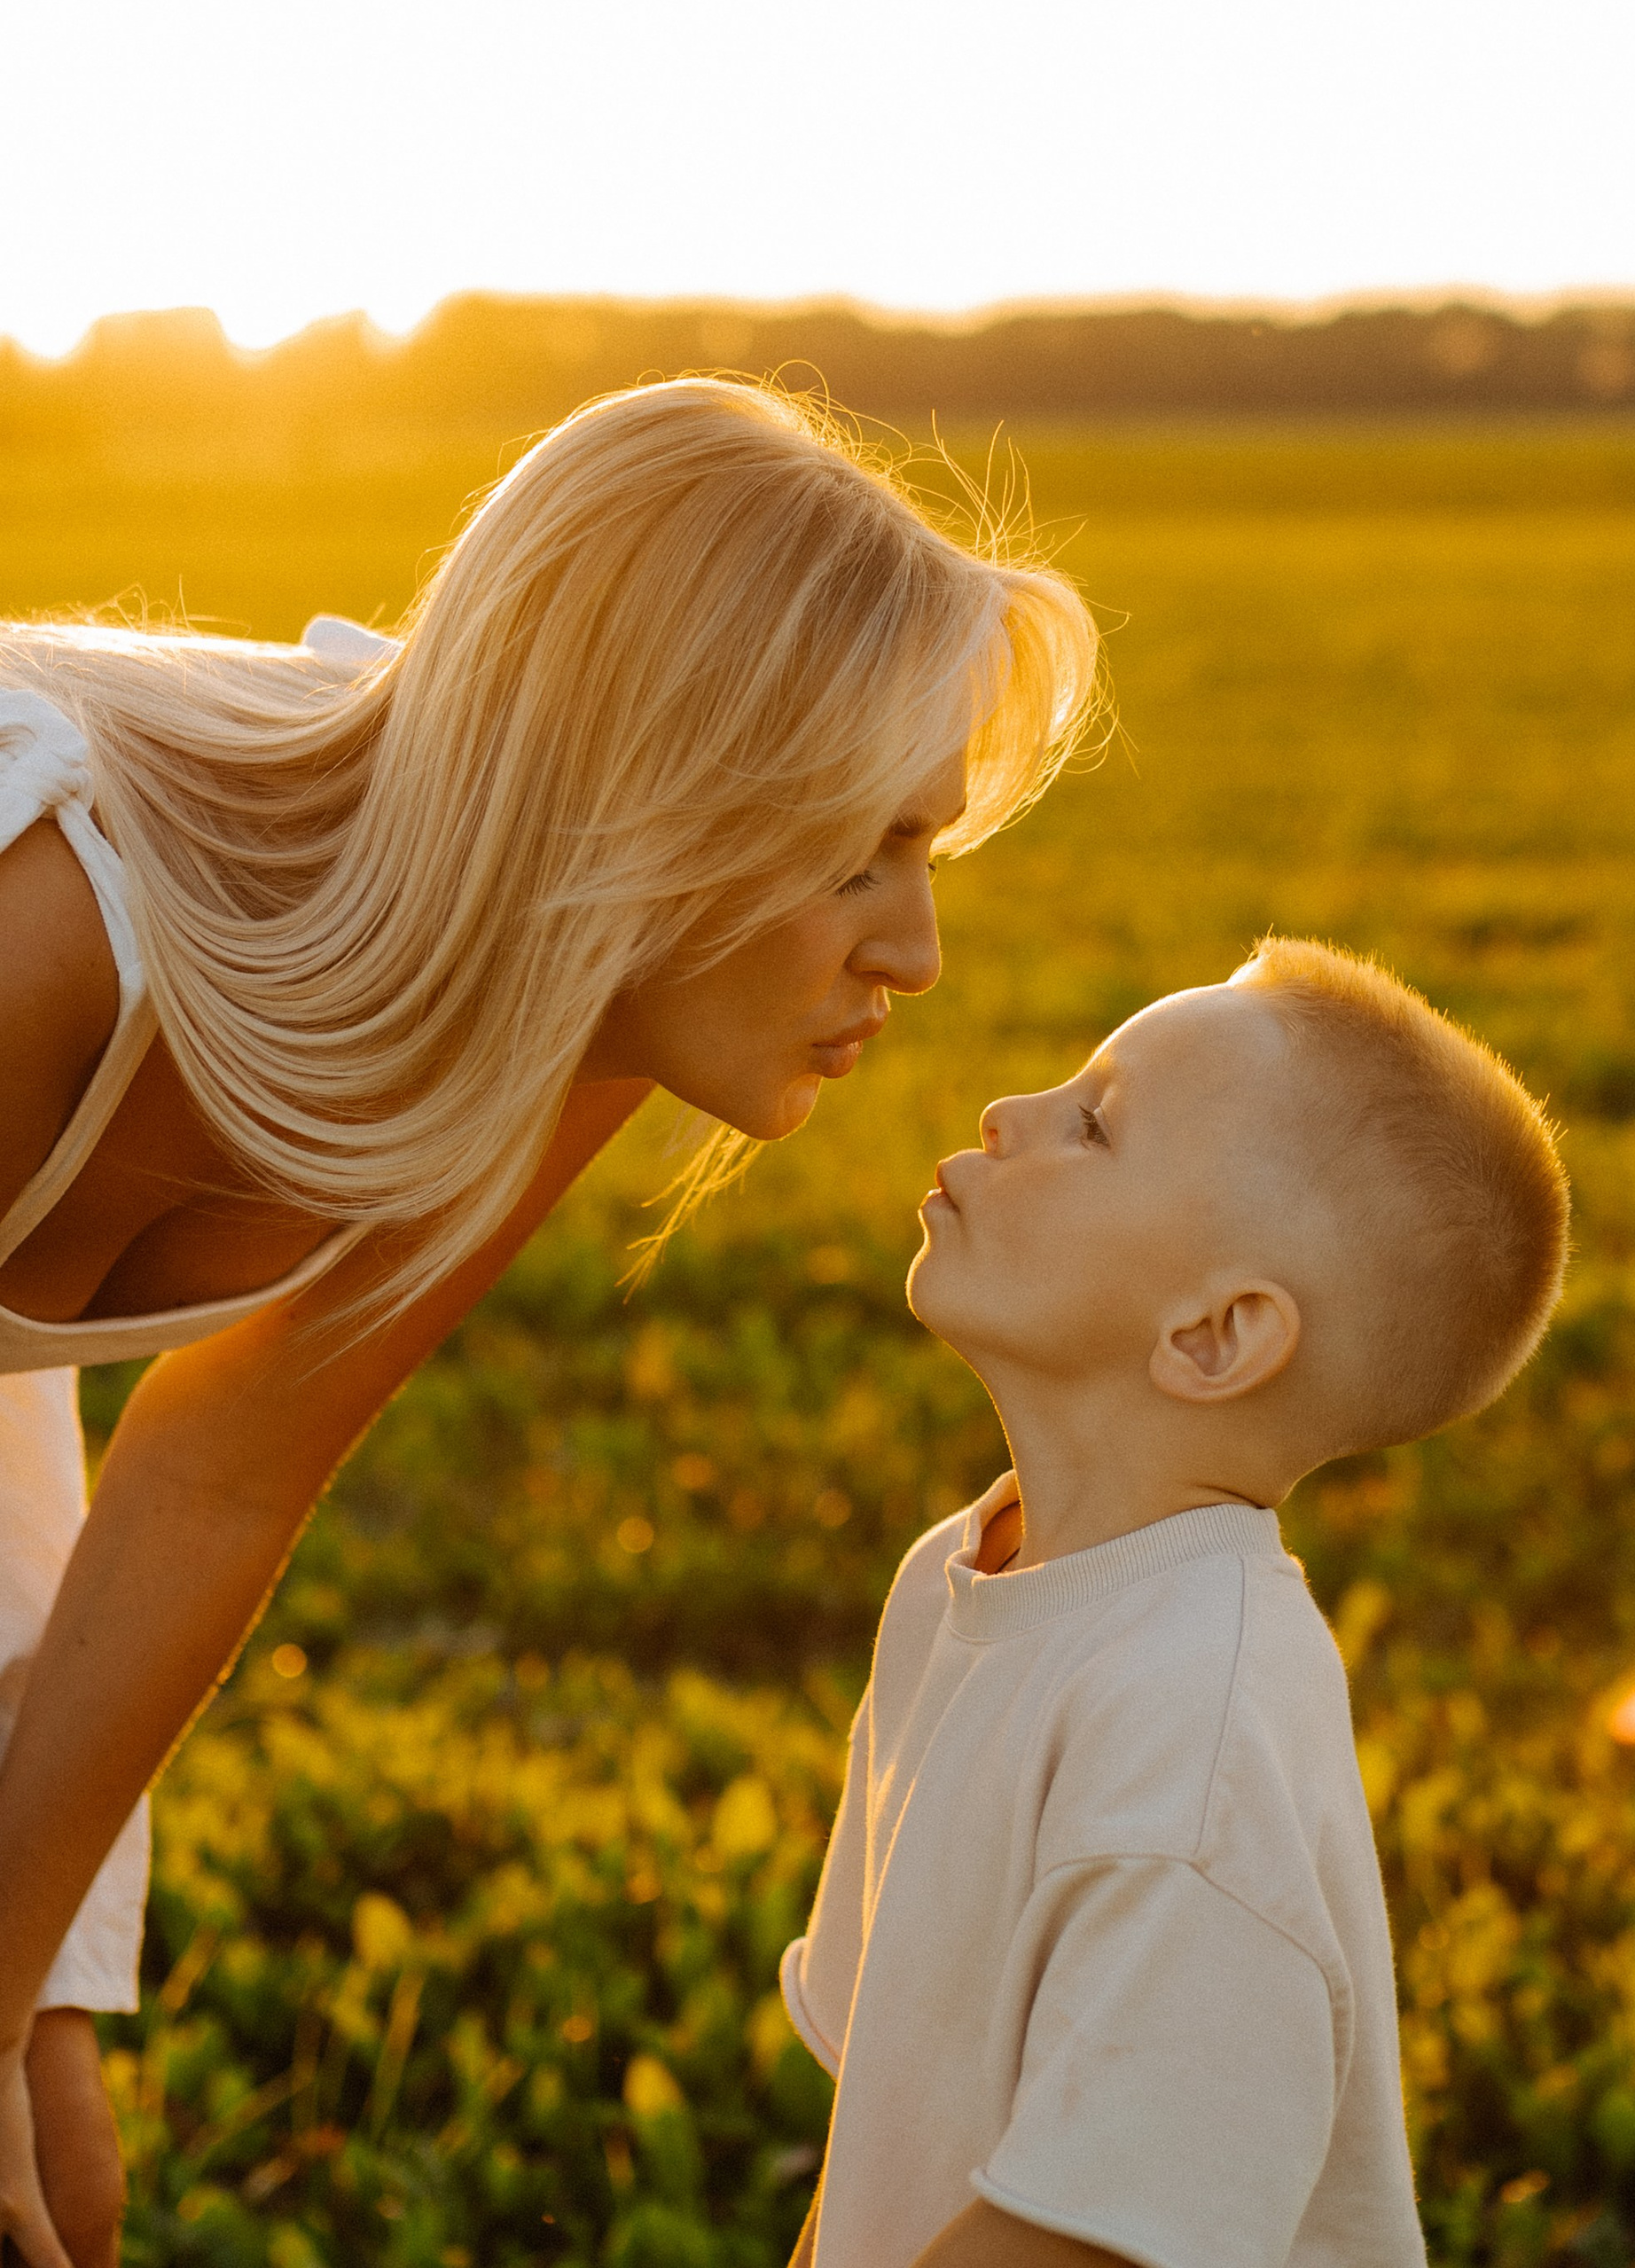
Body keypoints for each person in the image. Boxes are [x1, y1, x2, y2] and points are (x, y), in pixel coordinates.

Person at [0, 376, 1099, 2268]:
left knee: (53, 2177)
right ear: (651, 816)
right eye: (863, 853)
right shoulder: (42, 924)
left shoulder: (573, 981)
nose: (914, 954)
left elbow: (216, 1476)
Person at [778, 935, 1570, 2268]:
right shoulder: (953, 1583)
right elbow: (879, 2136)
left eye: (1093, 1126)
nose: (1007, 1114)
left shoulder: (1194, 1734)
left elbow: (1089, 2236)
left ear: (1211, 1337)